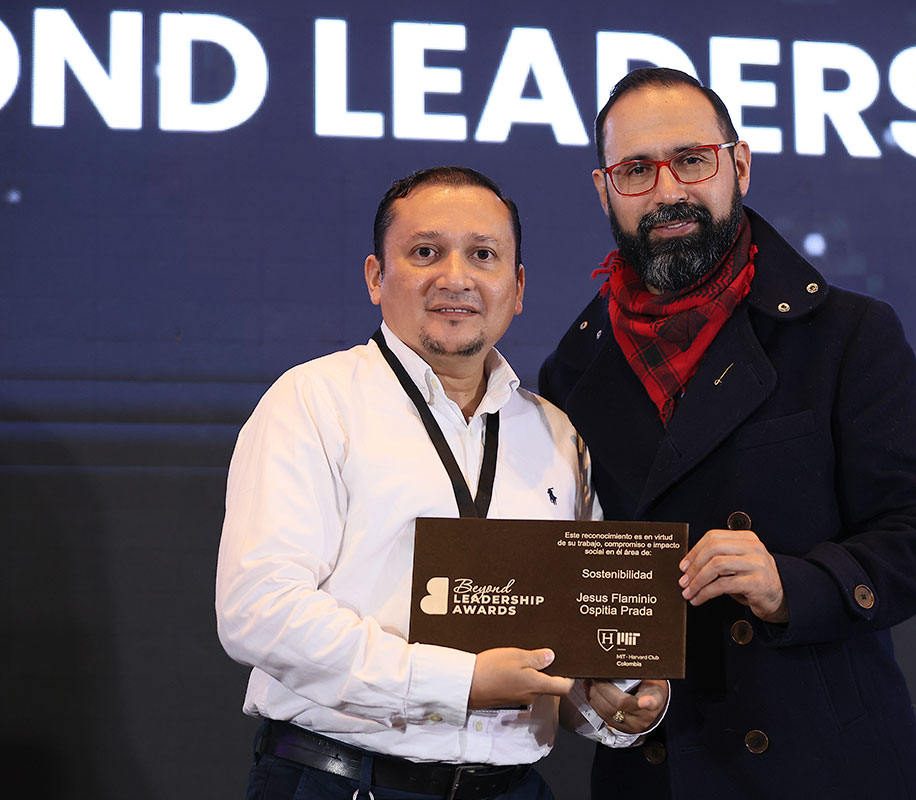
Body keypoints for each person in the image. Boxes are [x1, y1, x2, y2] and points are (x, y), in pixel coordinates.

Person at [539, 68, 916, 799]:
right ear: (604, 189)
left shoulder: (846, 334)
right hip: (654, 769)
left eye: (692, 159)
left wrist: (792, 586)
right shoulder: (571, 371)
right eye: (636, 170)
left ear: (737, 165)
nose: (668, 190)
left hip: (820, 764)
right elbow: (568, 573)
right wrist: (595, 694)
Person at [216, 166, 666, 800]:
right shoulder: (313, 401)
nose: (456, 277)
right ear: (376, 276)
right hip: (340, 783)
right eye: (425, 252)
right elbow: (258, 612)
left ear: (517, 286)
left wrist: (613, 700)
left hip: (512, 788)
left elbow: (575, 636)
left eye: (484, 255)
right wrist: (460, 680)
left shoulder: (556, 435)